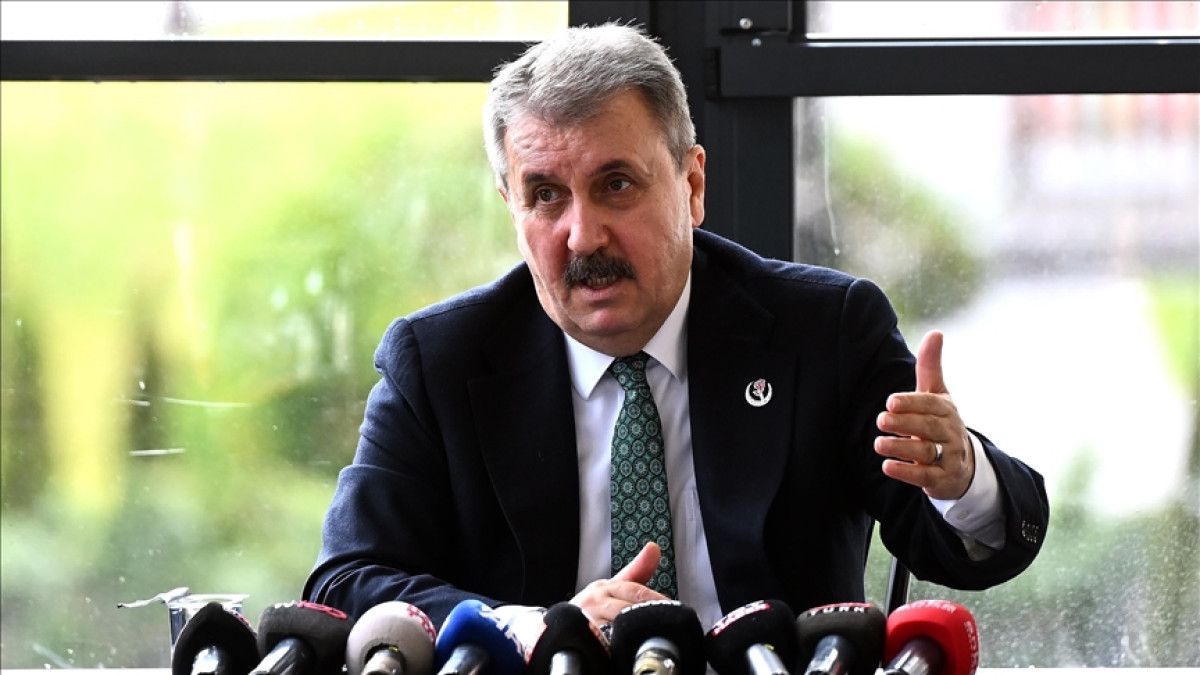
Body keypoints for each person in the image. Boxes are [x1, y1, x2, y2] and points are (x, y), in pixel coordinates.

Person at [303, 23, 1048, 644]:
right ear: (511, 207)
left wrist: (960, 478)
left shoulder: (823, 331)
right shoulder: (440, 361)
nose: (582, 235)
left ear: (691, 185)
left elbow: (968, 545)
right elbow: (346, 581)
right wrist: (529, 629)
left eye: (616, 185)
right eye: (546, 195)